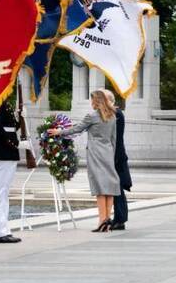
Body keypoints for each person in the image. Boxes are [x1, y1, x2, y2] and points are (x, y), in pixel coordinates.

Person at [48, 90, 119, 232]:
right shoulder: (112, 116)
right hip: (108, 152)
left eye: (92, 100)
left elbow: (76, 129)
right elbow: (113, 138)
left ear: (97, 101)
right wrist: (111, 154)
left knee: (99, 187)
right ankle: (106, 221)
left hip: (96, 153)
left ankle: (101, 221)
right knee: (109, 187)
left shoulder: (92, 116)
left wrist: (58, 132)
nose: (91, 103)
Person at [0, 101, 31, 244]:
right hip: (0, 150)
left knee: (4, 192)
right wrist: (15, 144)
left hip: (8, 152)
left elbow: (10, 127)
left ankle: (3, 229)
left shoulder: (4, 102)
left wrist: (19, 118)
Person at [102, 89, 132, 230]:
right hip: (115, 156)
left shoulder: (116, 114)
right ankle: (119, 219)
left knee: (117, 190)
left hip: (116, 157)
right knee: (116, 190)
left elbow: (115, 140)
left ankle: (119, 219)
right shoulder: (114, 113)